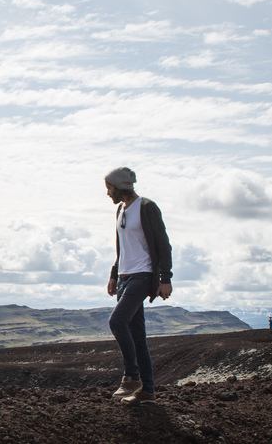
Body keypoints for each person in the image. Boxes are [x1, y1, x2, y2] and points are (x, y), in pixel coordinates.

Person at [104, 167, 173, 404]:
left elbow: (163, 243)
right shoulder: (120, 210)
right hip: (124, 277)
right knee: (138, 336)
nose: (107, 193)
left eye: (109, 188)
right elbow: (122, 246)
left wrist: (165, 278)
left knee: (116, 321)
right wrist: (114, 274)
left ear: (120, 186)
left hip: (142, 275)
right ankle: (148, 391)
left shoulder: (146, 207)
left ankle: (132, 376)